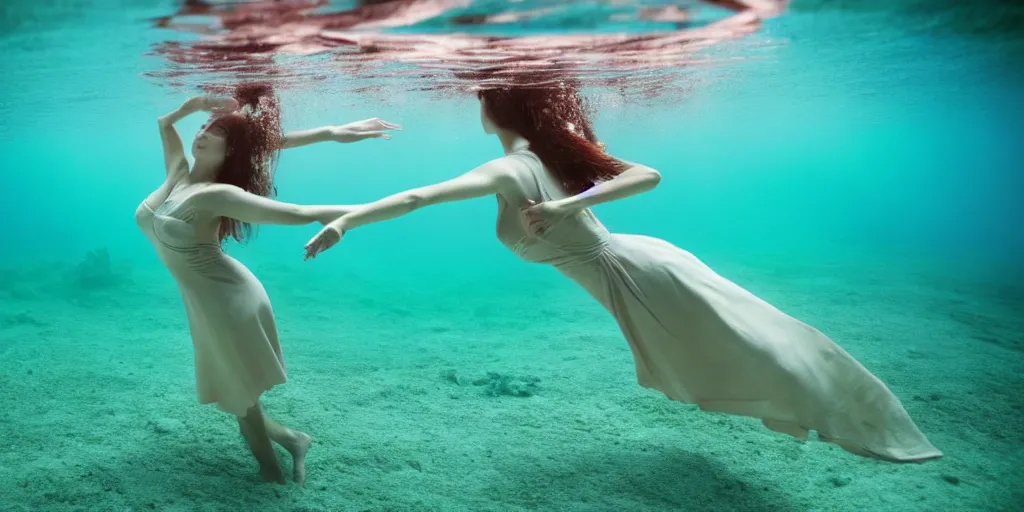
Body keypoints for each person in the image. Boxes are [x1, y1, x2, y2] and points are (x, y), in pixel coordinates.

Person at [302, 79, 942, 462]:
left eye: (480, 98)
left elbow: (419, 197)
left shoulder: (512, 168)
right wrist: (565, 202)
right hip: (639, 270)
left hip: (640, 274)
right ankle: (851, 421)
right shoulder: (547, 151)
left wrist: (346, 221)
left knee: (761, 349)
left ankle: (863, 427)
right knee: (758, 344)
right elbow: (644, 175)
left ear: (493, 111)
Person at [135, 82, 400, 485]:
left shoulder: (217, 193)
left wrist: (368, 214)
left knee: (240, 395)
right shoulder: (179, 174)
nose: (203, 133)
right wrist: (189, 107)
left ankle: (271, 474)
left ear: (230, 154)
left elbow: (299, 212)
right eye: (206, 127)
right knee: (237, 391)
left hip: (228, 297)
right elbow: (164, 124)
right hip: (205, 297)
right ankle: (294, 440)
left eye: (216, 134)